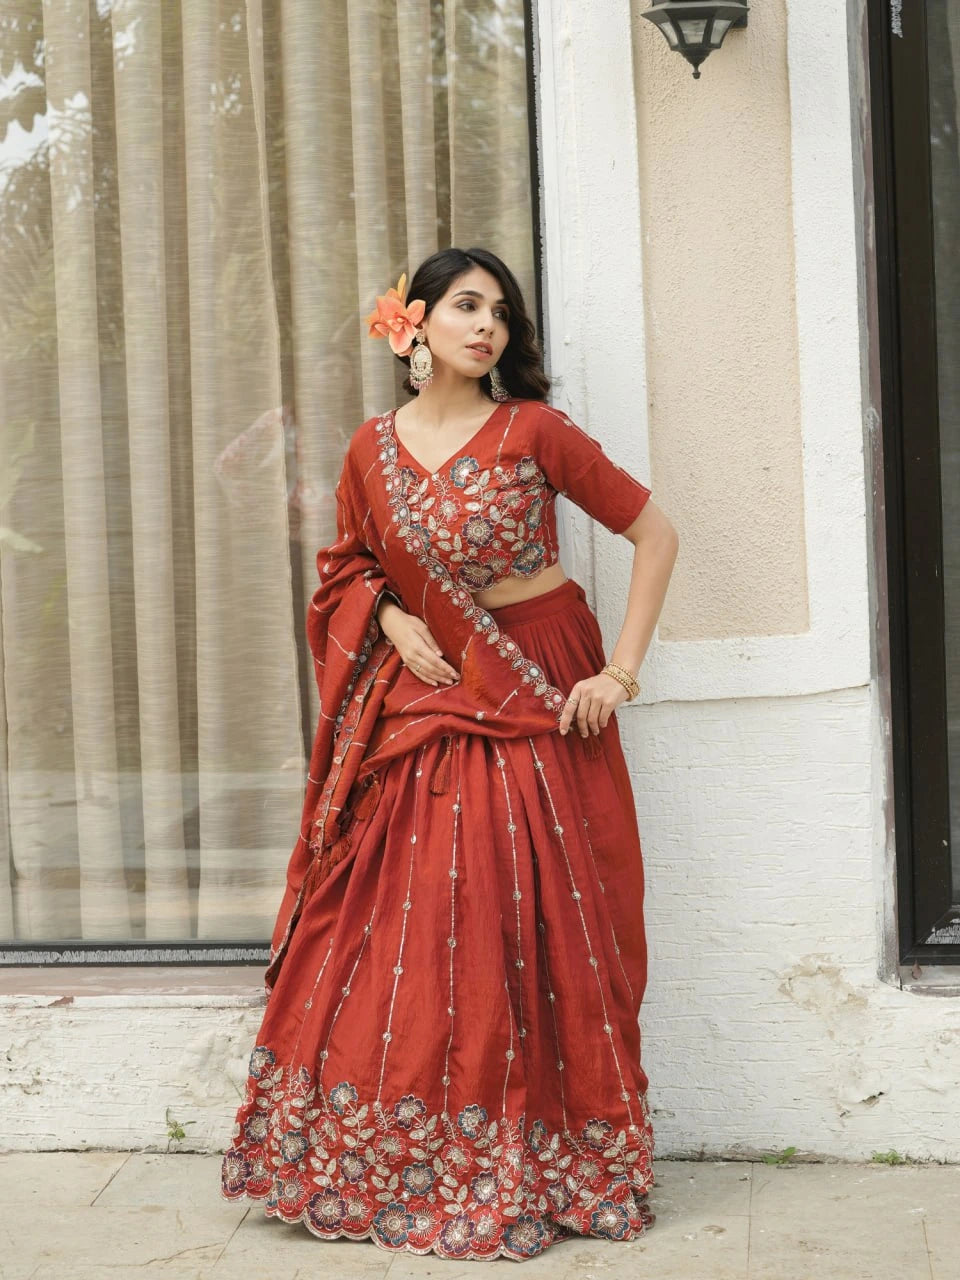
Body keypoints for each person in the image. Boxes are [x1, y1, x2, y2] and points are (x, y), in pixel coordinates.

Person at [220, 246, 679, 1261]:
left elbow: (656, 534)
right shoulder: (369, 449)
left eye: (502, 315)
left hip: (543, 686)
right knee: (409, 918)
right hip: (430, 698)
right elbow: (346, 566)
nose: (488, 328)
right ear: (412, 321)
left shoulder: (534, 430)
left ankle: (549, 1159)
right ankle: (389, 1157)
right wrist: (383, 617)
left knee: (541, 920)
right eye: (467, 306)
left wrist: (622, 672)